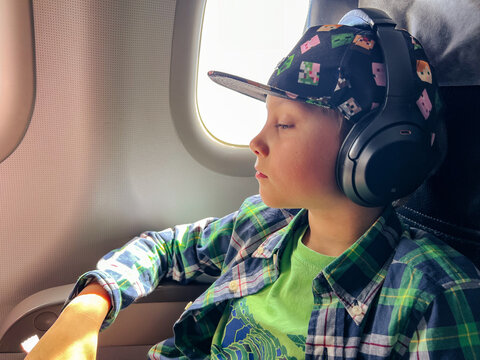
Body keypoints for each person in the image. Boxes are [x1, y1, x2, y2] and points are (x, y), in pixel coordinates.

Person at [27, 18, 480, 360]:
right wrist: (90, 305)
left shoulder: (434, 294)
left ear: (376, 150)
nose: (256, 142)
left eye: (284, 124)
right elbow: (164, 249)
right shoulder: (262, 226)